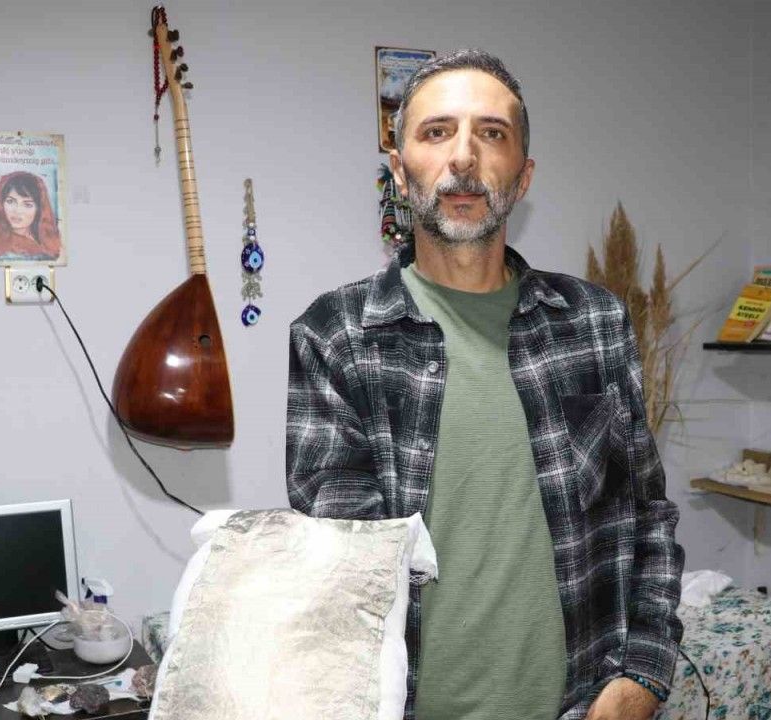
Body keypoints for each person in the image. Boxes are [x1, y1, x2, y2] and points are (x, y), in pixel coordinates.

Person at [286, 49, 682, 720]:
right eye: (437, 132)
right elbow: (338, 569)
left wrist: (642, 675)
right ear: (399, 170)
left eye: (491, 134)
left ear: (523, 176)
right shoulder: (336, 336)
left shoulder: (594, 323)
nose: (464, 157)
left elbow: (648, 516)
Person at [0, 171, 63, 263]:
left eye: (27, 205)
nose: (17, 211)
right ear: (1, 203)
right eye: (10, 201)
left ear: (39, 209)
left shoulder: (53, 239)